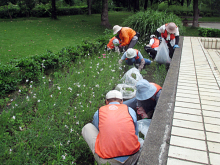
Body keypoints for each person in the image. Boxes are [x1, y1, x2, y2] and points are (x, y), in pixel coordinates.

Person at [82, 90, 143, 165]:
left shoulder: (99, 112)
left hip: (108, 162)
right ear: (121, 102)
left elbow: (98, 130)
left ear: (107, 102)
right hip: (132, 158)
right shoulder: (129, 110)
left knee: (87, 127)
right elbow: (135, 133)